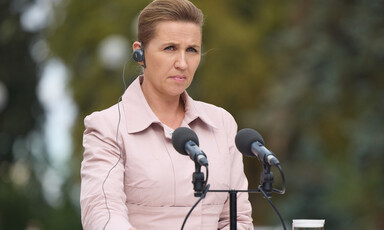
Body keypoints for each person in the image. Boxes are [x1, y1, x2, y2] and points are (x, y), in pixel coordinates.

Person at [80, 0, 253, 229]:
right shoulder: (107, 127)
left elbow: (237, 219)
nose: (182, 63)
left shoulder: (221, 123)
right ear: (139, 53)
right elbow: (102, 213)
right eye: (170, 48)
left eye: (192, 50)